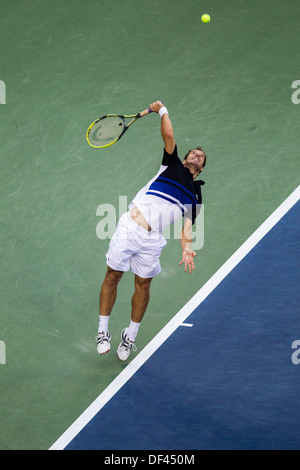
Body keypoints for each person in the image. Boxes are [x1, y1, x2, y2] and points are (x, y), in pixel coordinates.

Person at [96, 100, 207, 361]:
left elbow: (187, 228)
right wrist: (163, 110)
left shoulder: (196, 195)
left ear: (201, 168)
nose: (196, 156)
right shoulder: (171, 166)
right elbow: (168, 134)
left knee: (143, 285)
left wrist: (187, 249)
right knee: (113, 276)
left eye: (201, 157)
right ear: (183, 158)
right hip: (130, 228)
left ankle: (130, 335)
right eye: (193, 153)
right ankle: (103, 331)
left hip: (152, 240)